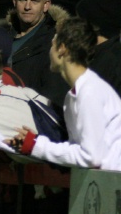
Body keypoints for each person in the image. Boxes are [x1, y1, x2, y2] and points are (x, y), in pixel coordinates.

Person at [8, 17, 121, 171]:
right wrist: (38, 141)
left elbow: (91, 156)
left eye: (53, 44)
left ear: (62, 49)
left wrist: (37, 146)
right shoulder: (74, 94)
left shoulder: (90, 92)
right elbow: (77, 149)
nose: (50, 50)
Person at [6, 0, 70, 111]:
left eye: (34, 1)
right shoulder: (2, 38)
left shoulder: (54, 43)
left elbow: (54, 99)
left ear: (46, 5)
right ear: (14, 1)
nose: (27, 6)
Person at [77, 0, 121, 96]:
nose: (76, 27)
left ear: (93, 26)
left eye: (80, 21)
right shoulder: (98, 55)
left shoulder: (111, 63)